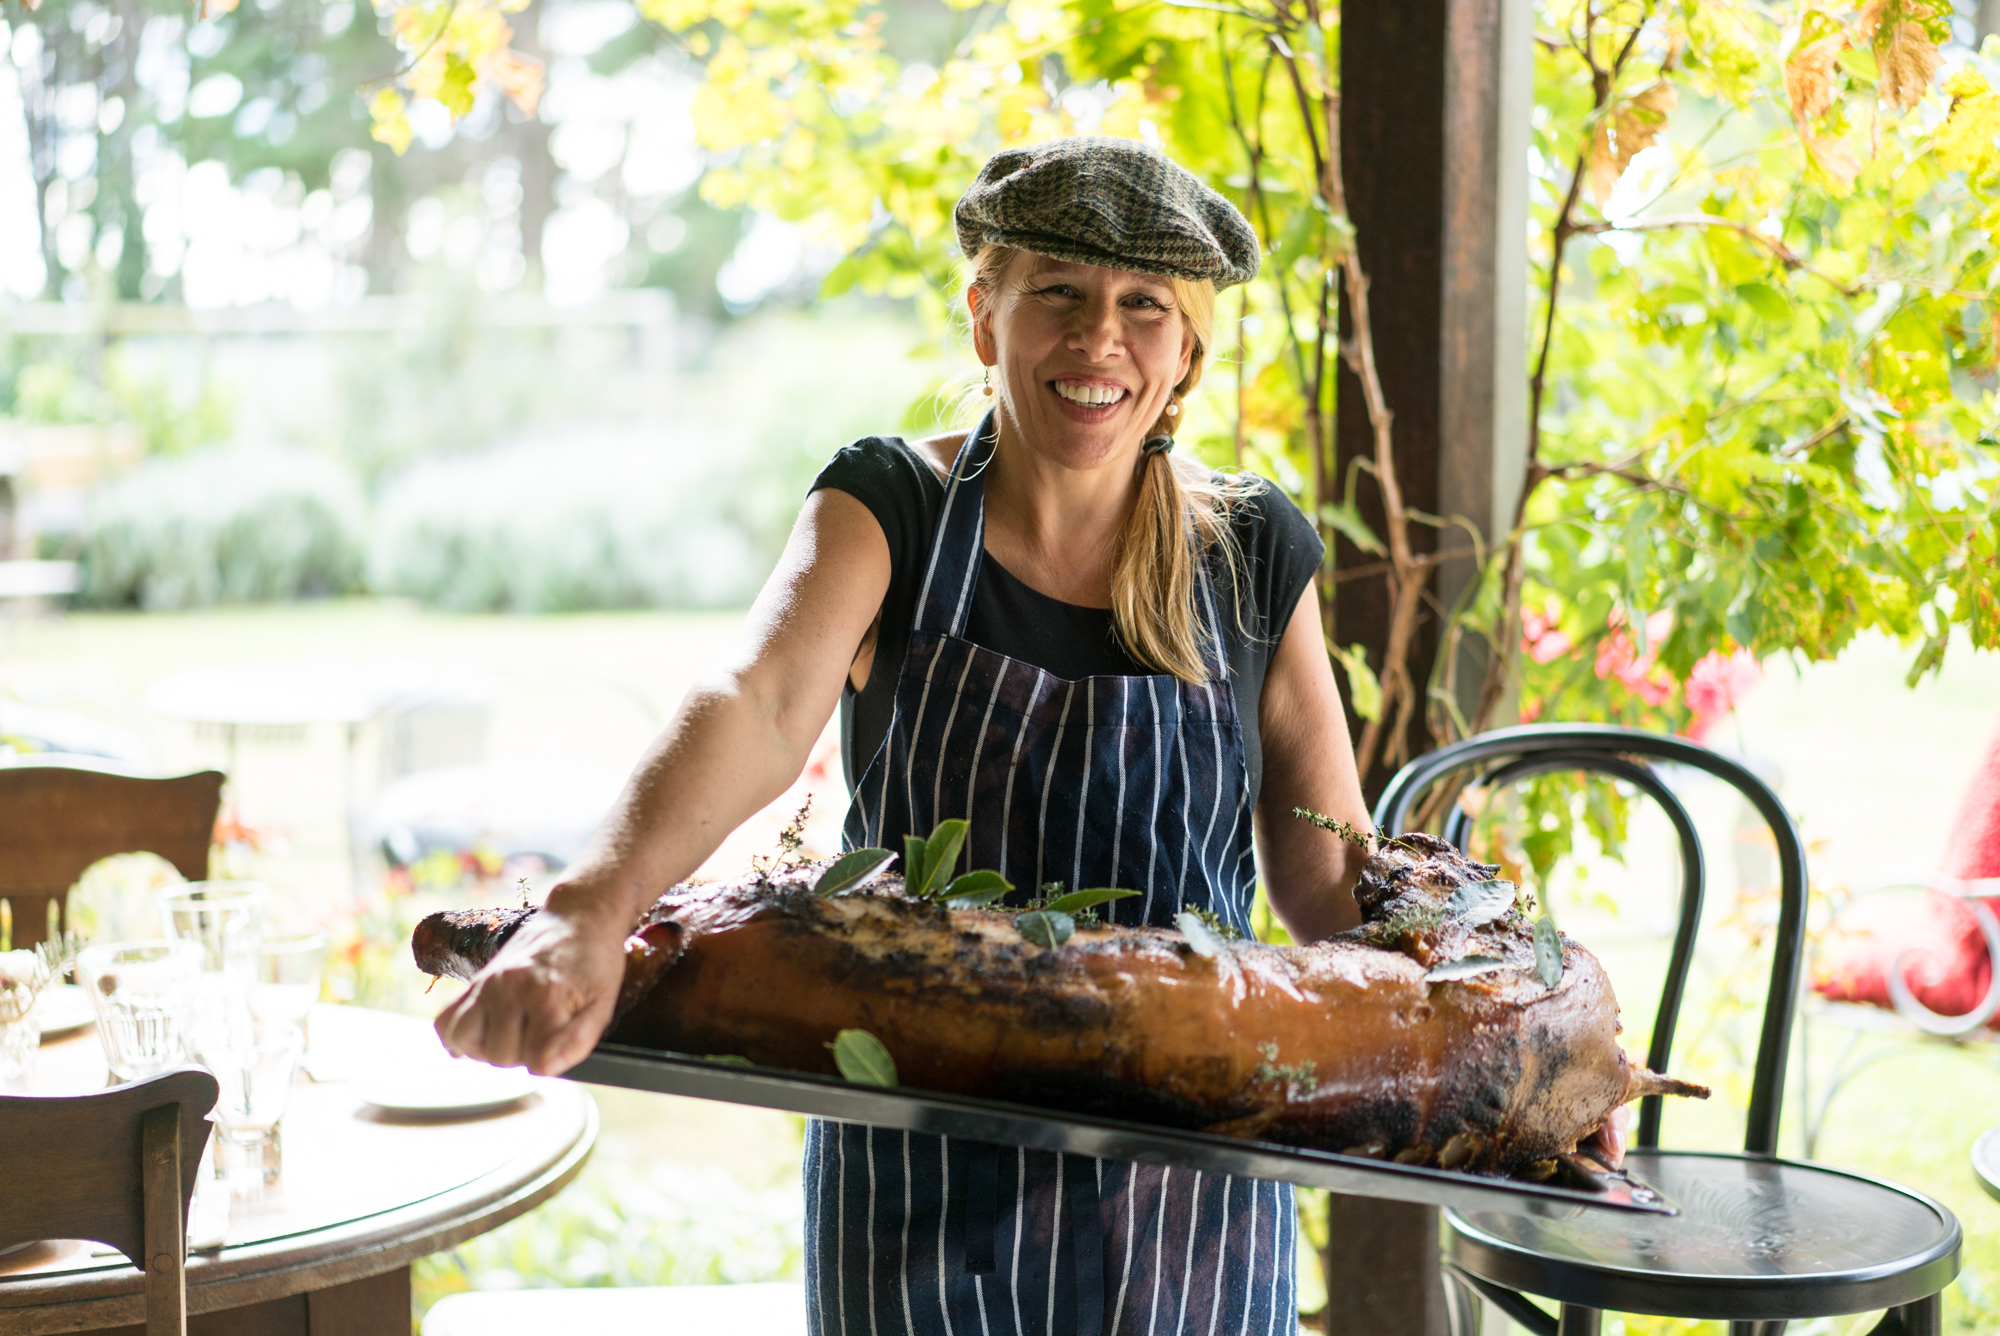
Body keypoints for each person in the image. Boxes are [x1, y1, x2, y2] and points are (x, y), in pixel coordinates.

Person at [438, 136, 1375, 1336]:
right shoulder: (890, 508)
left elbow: (1324, 862)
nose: (1098, 340)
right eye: (1058, 295)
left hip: (1186, 1193)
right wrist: (585, 909)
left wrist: (1519, 1066)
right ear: (984, 317)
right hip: (920, 1173)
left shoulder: (1249, 551)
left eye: (1143, 306)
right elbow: (759, 701)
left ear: (1185, 349)